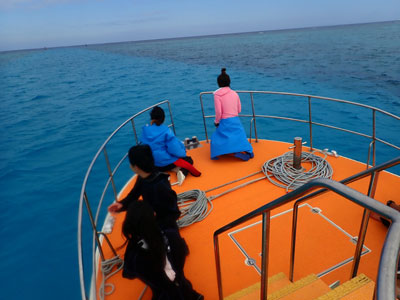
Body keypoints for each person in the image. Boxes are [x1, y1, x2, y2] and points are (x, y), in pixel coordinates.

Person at [121, 198, 203, 299]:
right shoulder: (171, 236)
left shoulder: (133, 256)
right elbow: (181, 252)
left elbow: (128, 274)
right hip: (185, 291)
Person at [108, 144, 180, 230]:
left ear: (136, 167)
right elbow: (134, 195)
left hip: (165, 224)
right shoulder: (143, 177)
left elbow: (173, 211)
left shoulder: (160, 185)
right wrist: (121, 205)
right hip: (153, 217)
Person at [141, 106, 201, 185]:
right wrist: (183, 153)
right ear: (163, 118)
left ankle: (166, 171)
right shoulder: (166, 131)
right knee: (189, 160)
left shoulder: (145, 130)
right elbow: (174, 150)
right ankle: (182, 172)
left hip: (153, 164)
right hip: (166, 162)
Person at [211, 68, 254, 161]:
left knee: (216, 138)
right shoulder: (234, 93)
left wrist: (216, 122)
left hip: (225, 121)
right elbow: (239, 109)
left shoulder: (217, 95)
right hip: (235, 120)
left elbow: (218, 112)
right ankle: (249, 151)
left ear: (218, 83)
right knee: (240, 137)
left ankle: (230, 152)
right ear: (229, 82)